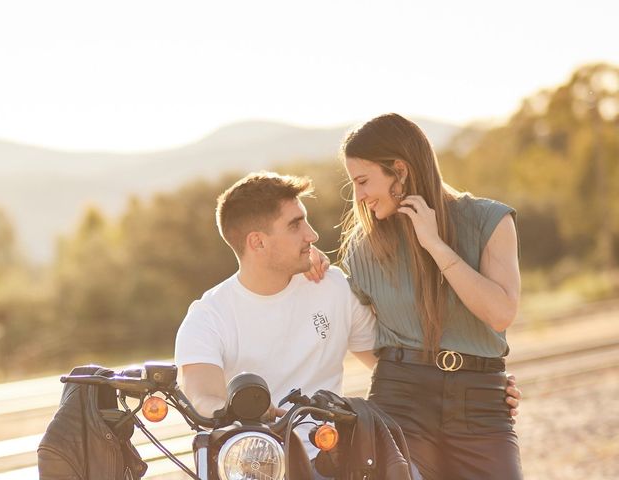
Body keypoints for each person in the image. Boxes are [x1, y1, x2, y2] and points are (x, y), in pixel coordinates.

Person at [174, 171, 521, 478]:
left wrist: (478, 385)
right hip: (260, 465)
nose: (311, 235)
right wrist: (244, 411)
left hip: (340, 460)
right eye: (295, 225)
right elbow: (203, 394)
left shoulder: (332, 286)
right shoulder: (209, 315)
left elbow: (396, 362)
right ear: (257, 242)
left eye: (305, 221)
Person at [338, 113, 523, 479]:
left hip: (481, 402)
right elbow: (357, 334)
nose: (358, 196)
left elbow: (500, 313)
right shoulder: (362, 249)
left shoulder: (490, 220)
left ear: (400, 170)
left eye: (363, 181)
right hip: (401, 399)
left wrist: (435, 245)